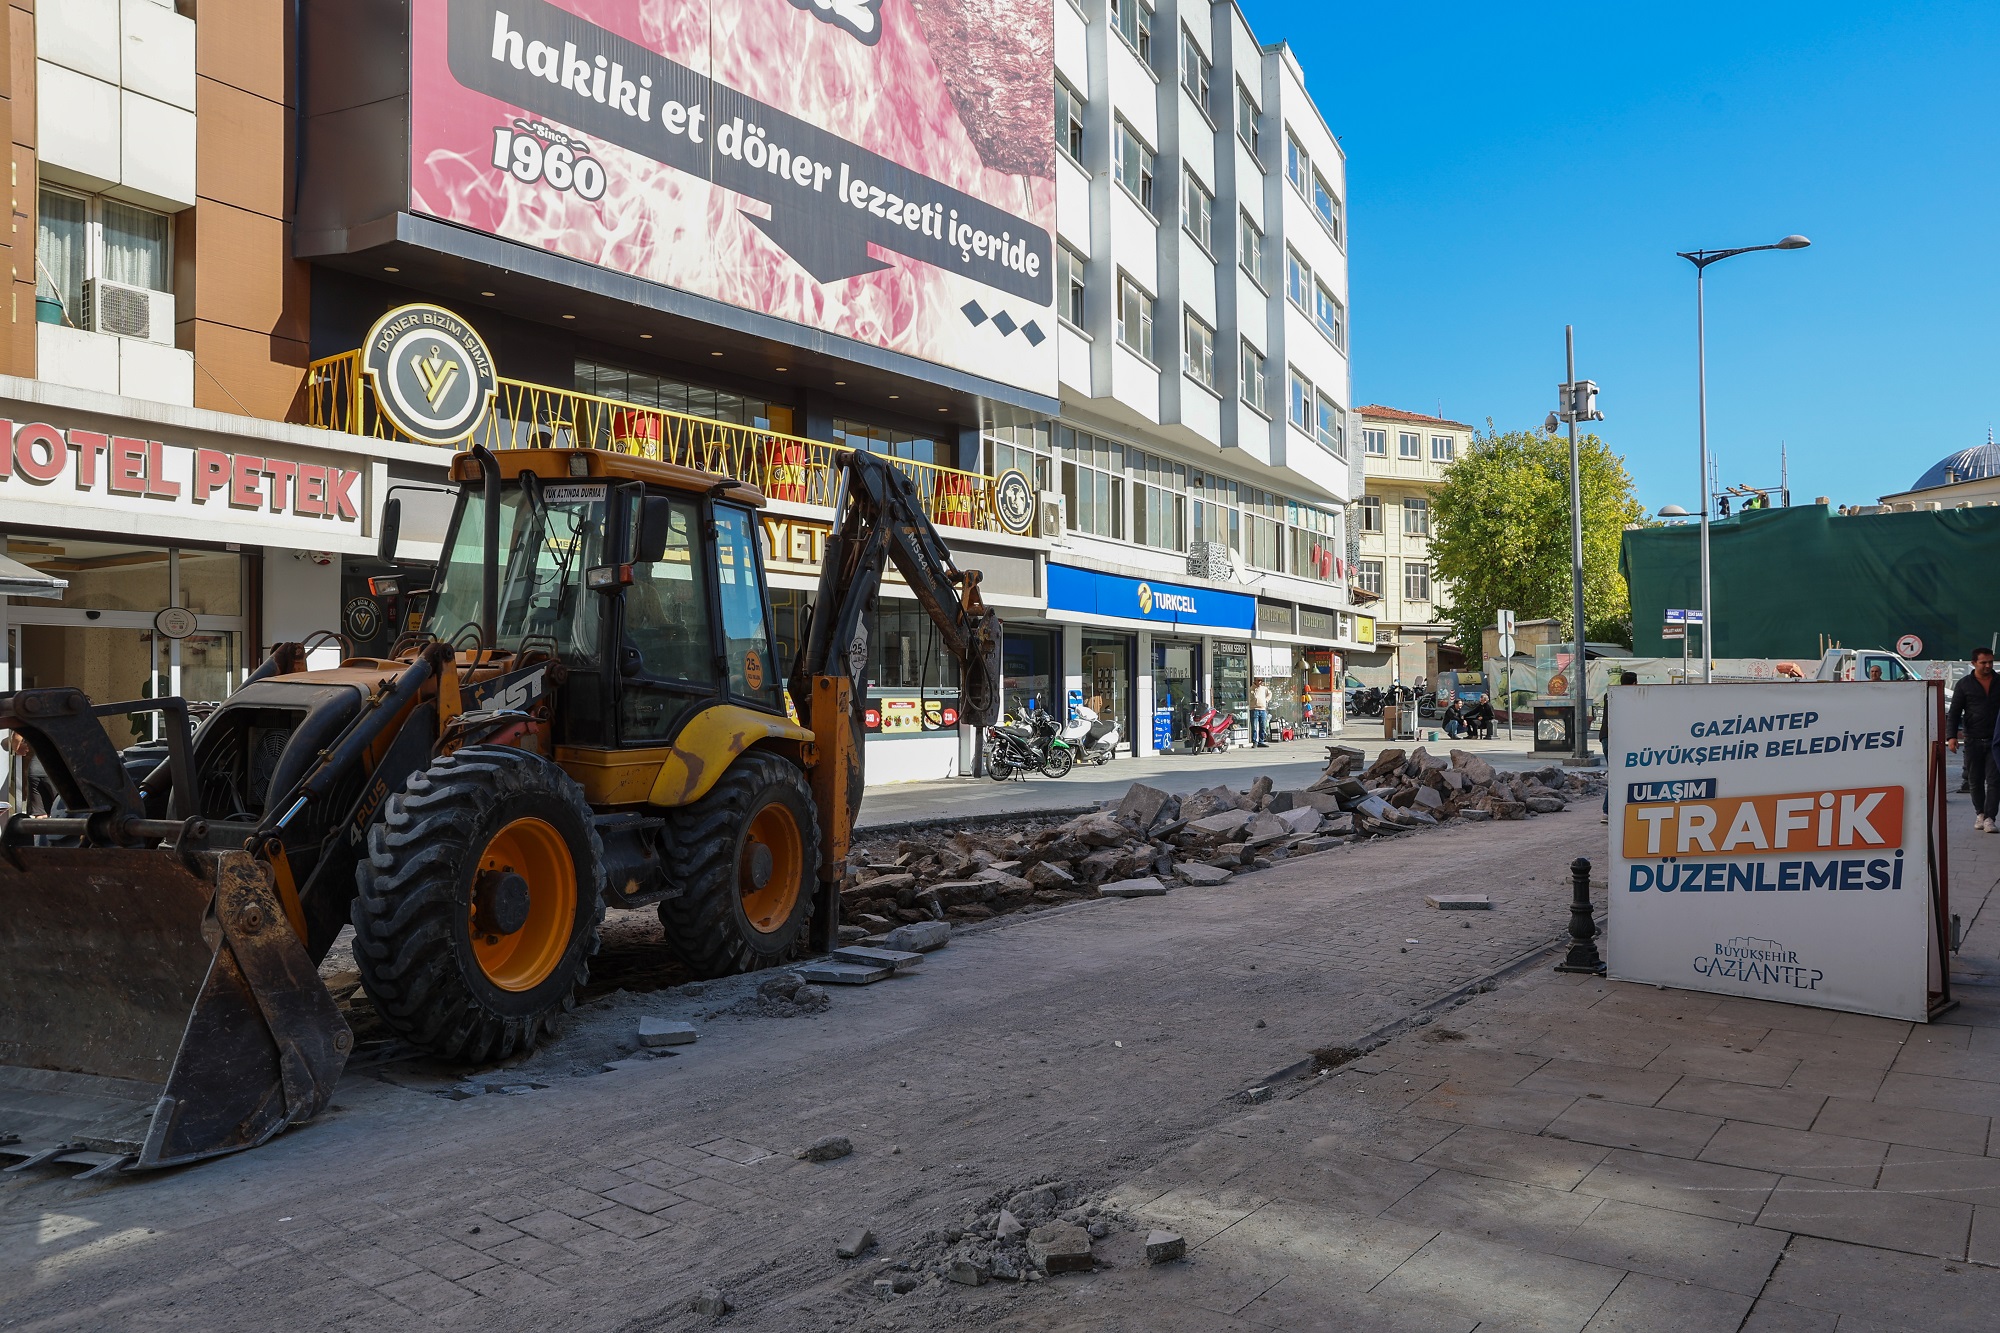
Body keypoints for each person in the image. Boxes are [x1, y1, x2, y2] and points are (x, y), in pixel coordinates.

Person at [1953, 648, 2000, 831]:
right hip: (1972, 739)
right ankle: (1980, 813)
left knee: (1995, 780)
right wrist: (1951, 737)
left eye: (1991, 662)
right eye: (1984, 662)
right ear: (1973, 663)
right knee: (1975, 780)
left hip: (1996, 741)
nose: (1988, 665)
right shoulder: (1964, 684)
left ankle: (1990, 818)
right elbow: (1955, 711)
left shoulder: (1998, 682)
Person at [1249, 679, 1272, 747]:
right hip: (1254, 709)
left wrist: (1266, 700)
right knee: (1254, 727)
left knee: (1263, 726)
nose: (1260, 682)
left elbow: (1270, 693)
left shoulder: (1264, 688)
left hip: (1262, 709)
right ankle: (1254, 741)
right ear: (1255, 681)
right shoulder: (1252, 688)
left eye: (1261, 681)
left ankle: (1261, 741)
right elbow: (1253, 696)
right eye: (1258, 681)